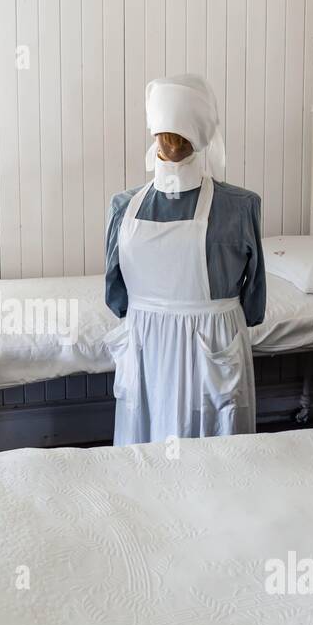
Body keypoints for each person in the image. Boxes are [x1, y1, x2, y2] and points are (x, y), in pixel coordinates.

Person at [103, 74, 265, 446]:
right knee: (190, 447)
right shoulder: (240, 206)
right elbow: (254, 303)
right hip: (184, 342)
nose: (172, 141)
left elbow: (115, 296)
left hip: (170, 339)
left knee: (185, 447)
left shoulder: (123, 206)